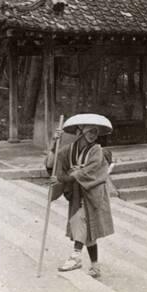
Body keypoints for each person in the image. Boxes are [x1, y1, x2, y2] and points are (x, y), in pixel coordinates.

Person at [45, 114, 114, 278]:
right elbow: (51, 164)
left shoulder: (97, 150)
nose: (93, 134)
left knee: (82, 222)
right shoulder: (69, 150)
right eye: (90, 131)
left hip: (92, 191)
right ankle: (94, 265)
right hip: (77, 192)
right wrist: (55, 144)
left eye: (95, 132)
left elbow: (88, 171)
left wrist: (65, 177)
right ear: (80, 131)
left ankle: (76, 256)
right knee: (84, 227)